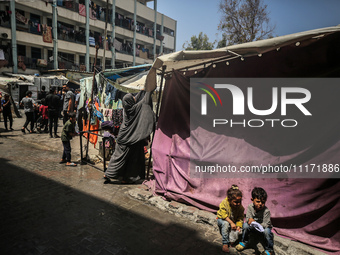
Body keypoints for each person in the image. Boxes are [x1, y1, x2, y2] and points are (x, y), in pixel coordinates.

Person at [104, 90, 155, 184]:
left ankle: (121, 177)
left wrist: (142, 90)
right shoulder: (134, 109)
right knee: (122, 158)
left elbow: (137, 98)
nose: (134, 98)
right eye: (133, 98)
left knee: (120, 158)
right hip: (127, 138)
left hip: (124, 137)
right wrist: (148, 91)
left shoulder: (128, 108)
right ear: (130, 101)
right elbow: (144, 101)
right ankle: (110, 174)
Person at [236, 187, 274, 255]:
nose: (260, 204)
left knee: (267, 232)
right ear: (252, 200)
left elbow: (267, 224)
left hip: (263, 228)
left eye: (263, 202)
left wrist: (257, 224)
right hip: (253, 227)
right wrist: (250, 220)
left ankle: (269, 250)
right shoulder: (250, 207)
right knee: (245, 225)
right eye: (258, 201)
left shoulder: (266, 211)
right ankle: (244, 242)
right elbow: (248, 218)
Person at [217, 184, 245, 253]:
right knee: (226, 224)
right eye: (235, 202)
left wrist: (238, 225)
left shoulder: (240, 208)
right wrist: (231, 223)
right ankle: (225, 243)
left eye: (239, 201)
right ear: (229, 200)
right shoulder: (224, 203)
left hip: (233, 221)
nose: (238, 204)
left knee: (243, 227)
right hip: (222, 219)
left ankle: (234, 241)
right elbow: (223, 215)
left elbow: (241, 217)